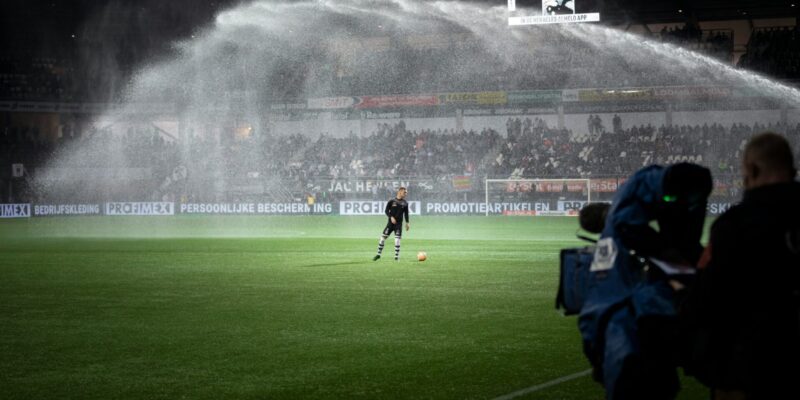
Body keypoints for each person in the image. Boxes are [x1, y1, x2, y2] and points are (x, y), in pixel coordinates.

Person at [578, 162, 712, 400]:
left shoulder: (614, 245)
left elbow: (593, 314)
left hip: (630, 355)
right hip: (636, 355)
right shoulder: (626, 229)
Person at [683, 132, 800, 399]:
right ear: (792, 170)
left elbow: (702, 301)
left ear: (753, 169)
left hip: (750, 370)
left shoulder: (734, 226)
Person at [373, 187, 410, 261]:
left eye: (406, 192)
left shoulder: (405, 203)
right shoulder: (391, 201)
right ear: (400, 192)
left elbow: (406, 214)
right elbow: (386, 211)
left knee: (397, 240)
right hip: (390, 224)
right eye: (404, 192)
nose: (406, 194)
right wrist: (391, 217)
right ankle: (378, 254)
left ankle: (396, 257)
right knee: (382, 238)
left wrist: (407, 222)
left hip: (398, 225)